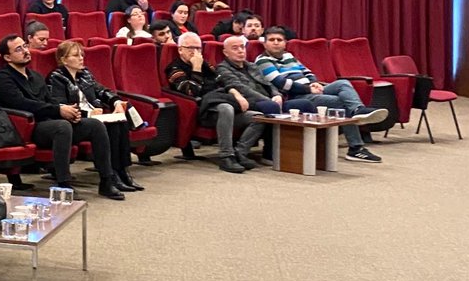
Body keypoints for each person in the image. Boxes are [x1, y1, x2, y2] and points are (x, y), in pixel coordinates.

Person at [0, 34, 120, 198]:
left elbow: (50, 100)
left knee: (95, 125)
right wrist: (58, 111)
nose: (25, 51)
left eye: (25, 46)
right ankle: (63, 184)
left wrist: (68, 111)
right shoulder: (3, 78)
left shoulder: (35, 76)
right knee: (62, 126)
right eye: (19, 49)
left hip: (50, 122)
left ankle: (106, 181)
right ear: (7, 57)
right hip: (28, 127)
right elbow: (21, 104)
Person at [253, 27, 388, 163]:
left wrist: (314, 83)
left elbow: (307, 72)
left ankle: (358, 110)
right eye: (271, 40)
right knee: (341, 103)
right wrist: (309, 89)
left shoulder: (289, 56)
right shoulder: (262, 61)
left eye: (279, 40)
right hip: (296, 96)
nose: (276, 42)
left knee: (342, 83)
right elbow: (281, 83)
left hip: (311, 89)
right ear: (264, 43)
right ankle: (356, 148)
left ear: (285, 43)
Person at [47, 41, 144, 197]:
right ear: (64, 60)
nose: (81, 58)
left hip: (95, 116)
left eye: (82, 55)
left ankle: (122, 171)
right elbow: (61, 106)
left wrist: (116, 101)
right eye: (76, 55)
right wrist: (89, 115)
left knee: (120, 120)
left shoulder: (85, 74)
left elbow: (102, 90)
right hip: (76, 121)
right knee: (105, 125)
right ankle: (110, 176)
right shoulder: (56, 78)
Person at [165, 32, 265, 173]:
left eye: (198, 48)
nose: (195, 52)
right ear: (180, 49)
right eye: (190, 48)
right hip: (201, 110)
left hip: (221, 104)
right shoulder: (174, 68)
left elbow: (223, 82)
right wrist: (196, 68)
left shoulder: (206, 64)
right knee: (226, 108)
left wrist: (236, 94)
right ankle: (226, 156)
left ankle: (240, 152)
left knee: (259, 117)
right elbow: (191, 92)